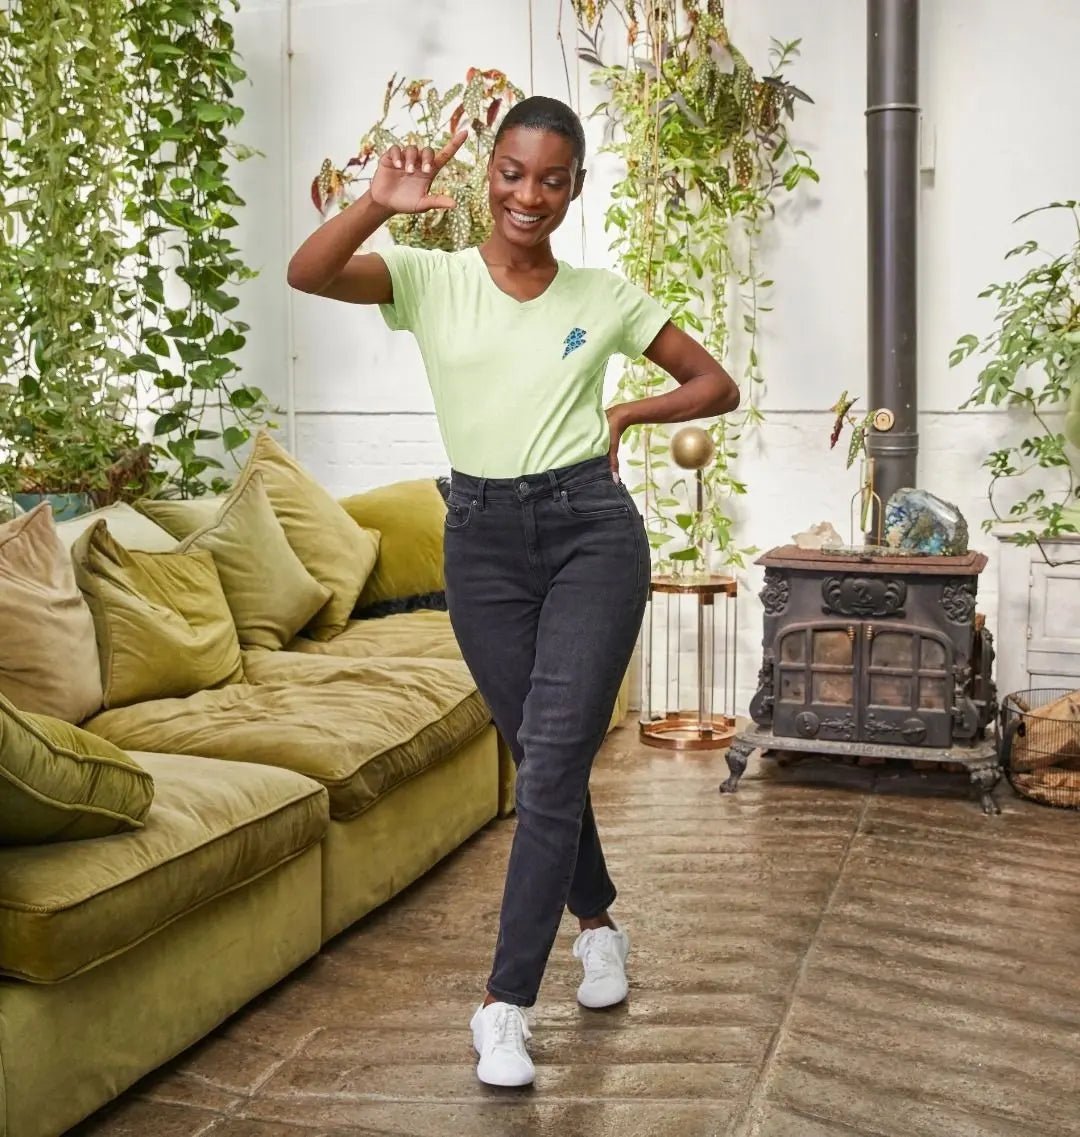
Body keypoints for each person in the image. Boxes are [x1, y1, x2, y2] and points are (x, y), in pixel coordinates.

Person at [287, 95, 739, 1088]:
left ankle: (504, 1006)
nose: (528, 195)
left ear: (575, 189)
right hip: (482, 543)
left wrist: (626, 408)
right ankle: (602, 924)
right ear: (490, 174)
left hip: (590, 535)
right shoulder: (429, 278)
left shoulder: (603, 295)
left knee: (547, 769)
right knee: (544, 758)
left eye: (552, 178)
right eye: (513, 173)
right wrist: (376, 205)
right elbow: (308, 272)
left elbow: (715, 384)